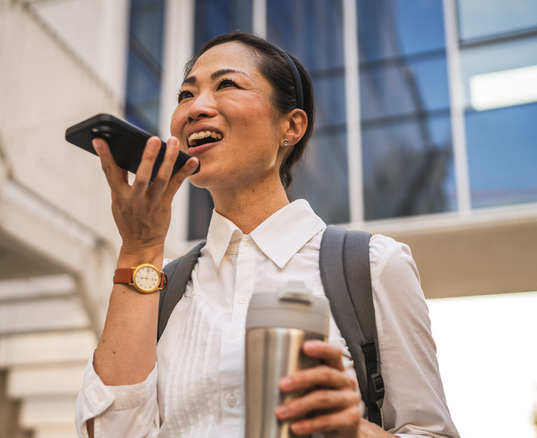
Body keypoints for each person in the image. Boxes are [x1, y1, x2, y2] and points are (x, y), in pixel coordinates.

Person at [75, 32, 460, 438]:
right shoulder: (161, 287)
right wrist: (139, 249)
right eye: (186, 94)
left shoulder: (371, 265)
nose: (196, 108)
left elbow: (432, 431)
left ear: (291, 126)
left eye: (227, 84)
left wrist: (355, 432)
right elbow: (111, 433)